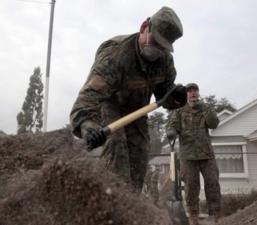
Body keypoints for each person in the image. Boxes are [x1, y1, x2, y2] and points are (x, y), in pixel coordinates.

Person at [70, 6, 186, 192]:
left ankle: (132, 209)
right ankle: (113, 206)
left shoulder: (165, 61)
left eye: (162, 46)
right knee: (117, 149)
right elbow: (90, 95)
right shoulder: (115, 55)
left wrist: (175, 98)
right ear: (143, 27)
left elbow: (164, 93)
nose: (157, 49)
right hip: (110, 107)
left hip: (138, 112)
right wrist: (88, 125)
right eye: (155, 41)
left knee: (139, 159)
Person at [166, 83, 222, 225]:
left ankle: (214, 215)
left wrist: (204, 108)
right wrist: (172, 131)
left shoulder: (206, 107)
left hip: (206, 154)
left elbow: (214, 124)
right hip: (188, 156)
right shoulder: (179, 111)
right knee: (191, 187)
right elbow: (172, 125)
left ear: (198, 92)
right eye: (190, 91)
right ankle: (193, 216)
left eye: (195, 90)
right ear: (187, 94)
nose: (193, 93)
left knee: (213, 184)